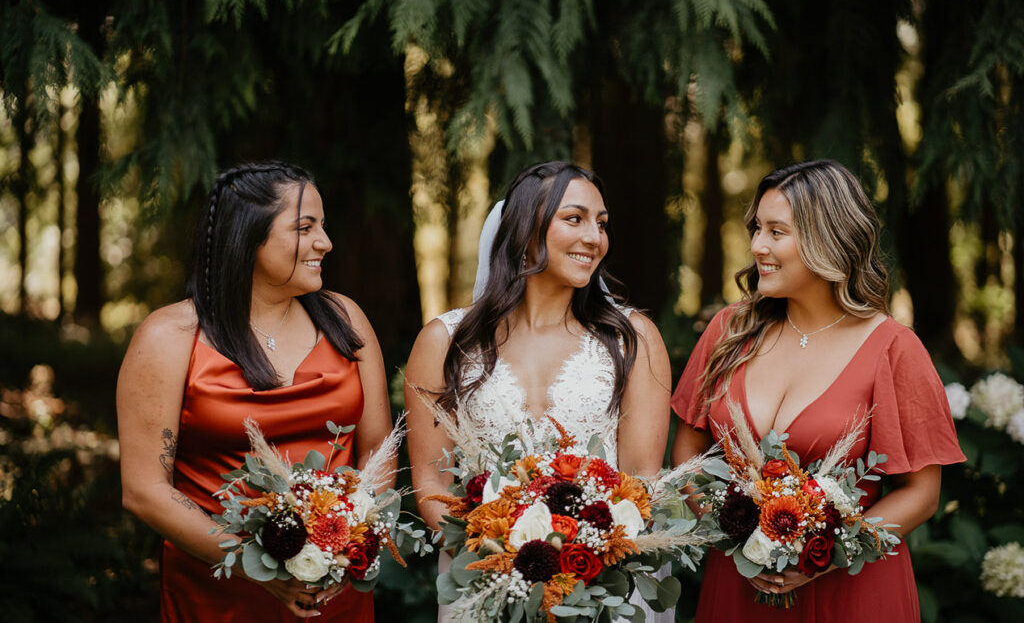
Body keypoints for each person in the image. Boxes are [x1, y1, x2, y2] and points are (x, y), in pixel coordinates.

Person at [670, 159, 965, 621]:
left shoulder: (893, 348)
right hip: (738, 584)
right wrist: (733, 539)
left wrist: (825, 554)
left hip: (851, 589)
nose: (757, 246)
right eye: (756, 229)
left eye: (775, 232)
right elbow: (689, 445)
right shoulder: (730, 329)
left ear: (827, 238)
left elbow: (922, 492)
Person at [117, 162, 395, 621]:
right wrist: (260, 569)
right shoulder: (169, 337)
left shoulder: (345, 319)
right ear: (249, 237)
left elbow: (379, 452)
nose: (325, 242)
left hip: (333, 588)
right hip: (220, 591)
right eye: (305, 228)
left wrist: (349, 539)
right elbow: (145, 489)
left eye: (322, 226)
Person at [405, 160, 673, 621]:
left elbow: (641, 478)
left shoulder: (633, 340)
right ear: (526, 230)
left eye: (602, 223)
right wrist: (493, 553)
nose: (595, 237)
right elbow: (432, 481)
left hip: (600, 581)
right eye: (575, 219)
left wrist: (580, 560)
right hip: (483, 578)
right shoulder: (445, 341)